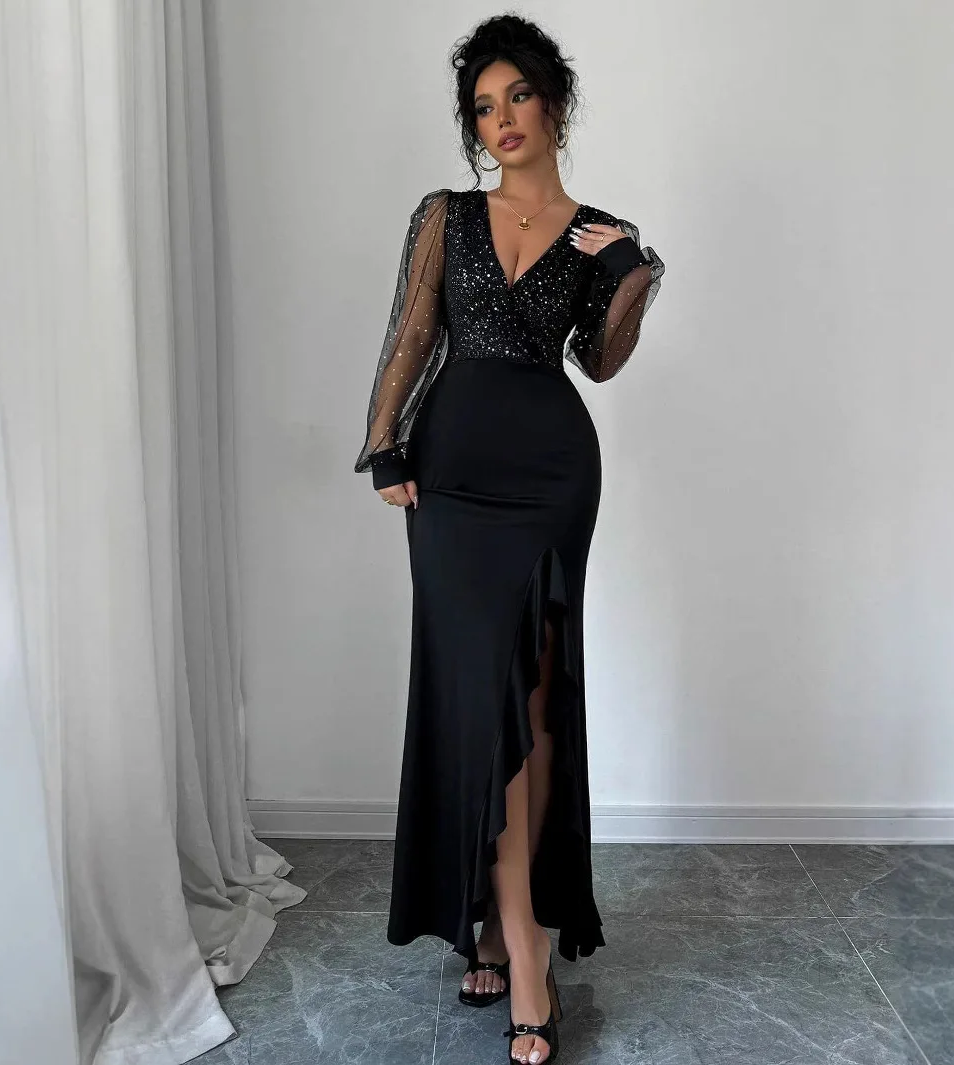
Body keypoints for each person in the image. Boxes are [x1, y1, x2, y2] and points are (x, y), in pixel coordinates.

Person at [353, 14, 664, 1064]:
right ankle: (503, 923)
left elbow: (601, 359)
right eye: (484, 107)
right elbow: (412, 332)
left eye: (517, 96)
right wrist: (384, 443)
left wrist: (633, 271)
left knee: (530, 696)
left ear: (554, 102)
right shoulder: (445, 214)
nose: (502, 120)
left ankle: (517, 938)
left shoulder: (598, 231)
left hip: (552, 473)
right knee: (472, 691)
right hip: (452, 473)